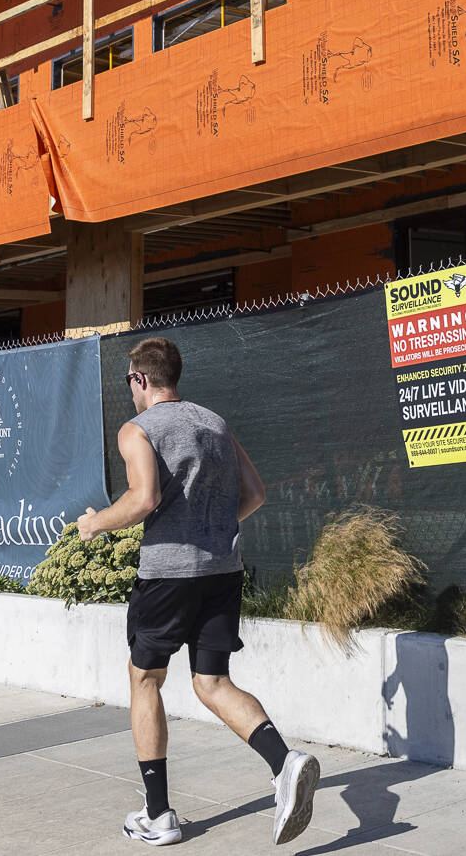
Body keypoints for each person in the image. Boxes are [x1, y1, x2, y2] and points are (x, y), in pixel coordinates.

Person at [78, 336, 319, 847]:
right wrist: (209, 528)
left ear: (141, 379)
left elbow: (144, 499)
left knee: (145, 678)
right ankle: (285, 762)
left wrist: (97, 523)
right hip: (222, 571)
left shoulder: (138, 430)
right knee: (211, 683)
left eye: (130, 383)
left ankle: (159, 814)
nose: (130, 392)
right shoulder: (215, 424)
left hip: (167, 576)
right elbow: (255, 494)